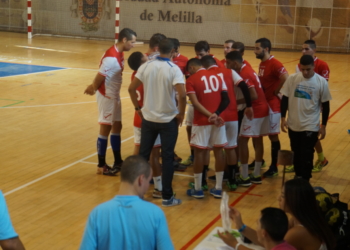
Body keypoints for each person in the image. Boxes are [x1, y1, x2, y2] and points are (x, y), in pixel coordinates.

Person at [128, 38, 186, 206]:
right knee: (167, 158)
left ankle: (136, 194)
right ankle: (167, 197)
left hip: (148, 119)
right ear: (173, 51)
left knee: (142, 157)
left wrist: (137, 108)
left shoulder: (146, 66)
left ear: (158, 49)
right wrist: (181, 113)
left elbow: (131, 89)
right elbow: (182, 95)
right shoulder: (174, 68)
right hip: (168, 120)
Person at [79, 155, 174, 250]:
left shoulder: (97, 214)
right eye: (148, 181)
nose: (148, 186)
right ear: (141, 179)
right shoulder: (155, 214)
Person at [218, 179, 335, 250]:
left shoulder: (298, 232)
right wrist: (240, 226)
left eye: (283, 195)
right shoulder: (299, 220)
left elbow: (271, 245)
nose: (278, 198)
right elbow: (269, 240)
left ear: (294, 201)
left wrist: (235, 244)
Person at [84, 28, 137, 176]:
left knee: (117, 126)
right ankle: (101, 165)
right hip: (106, 95)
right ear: (124, 40)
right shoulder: (111, 57)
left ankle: (118, 160)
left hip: (114, 94)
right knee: (105, 128)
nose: (133, 45)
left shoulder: (118, 52)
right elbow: (101, 75)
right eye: (132, 42)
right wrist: (93, 87)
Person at [201, 55, 253, 190]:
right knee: (231, 147)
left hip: (217, 116)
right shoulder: (230, 72)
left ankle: (205, 182)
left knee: (214, 149)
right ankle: (232, 180)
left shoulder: (206, 75)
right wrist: (249, 105)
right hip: (233, 115)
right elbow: (244, 86)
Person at [280, 55, 331, 181]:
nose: (305, 72)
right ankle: (298, 177)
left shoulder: (321, 82)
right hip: (293, 124)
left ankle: (306, 179)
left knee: (307, 154)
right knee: (296, 152)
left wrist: (323, 126)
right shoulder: (292, 79)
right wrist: (282, 118)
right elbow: (285, 98)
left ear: (313, 66)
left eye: (308, 69)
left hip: (311, 124)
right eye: (302, 69)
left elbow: (326, 105)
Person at [185, 58, 230, 199]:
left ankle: (198, 189)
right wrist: (216, 115)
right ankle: (217, 189)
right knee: (219, 152)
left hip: (201, 121)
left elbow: (195, 103)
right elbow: (226, 100)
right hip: (218, 121)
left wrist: (210, 115)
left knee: (199, 153)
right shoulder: (218, 77)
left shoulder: (191, 80)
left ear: (192, 67)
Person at [226, 51, 270, 187]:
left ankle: (244, 176)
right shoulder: (247, 68)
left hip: (254, 110)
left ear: (234, 63)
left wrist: (233, 101)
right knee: (258, 141)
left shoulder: (244, 74)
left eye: (227, 63)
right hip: (263, 108)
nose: (226, 65)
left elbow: (253, 95)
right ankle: (256, 174)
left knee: (242, 140)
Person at [127, 51, 162, 198]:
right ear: (142, 63)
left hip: (138, 117)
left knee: (138, 150)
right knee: (154, 155)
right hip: (151, 118)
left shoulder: (134, 75)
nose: (148, 58)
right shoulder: (148, 75)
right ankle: (159, 189)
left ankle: (133, 183)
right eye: (145, 58)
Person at [254, 38, 289, 177]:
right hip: (264, 103)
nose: (255, 51)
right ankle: (259, 160)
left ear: (266, 49)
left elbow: (286, 77)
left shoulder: (274, 63)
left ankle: (274, 166)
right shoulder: (263, 63)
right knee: (258, 134)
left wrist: (277, 90)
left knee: (273, 136)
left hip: (272, 105)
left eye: (257, 48)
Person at [218, 207, 296, 250]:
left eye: (258, 223)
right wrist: (240, 226)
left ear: (264, 233)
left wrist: (234, 244)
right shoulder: (286, 246)